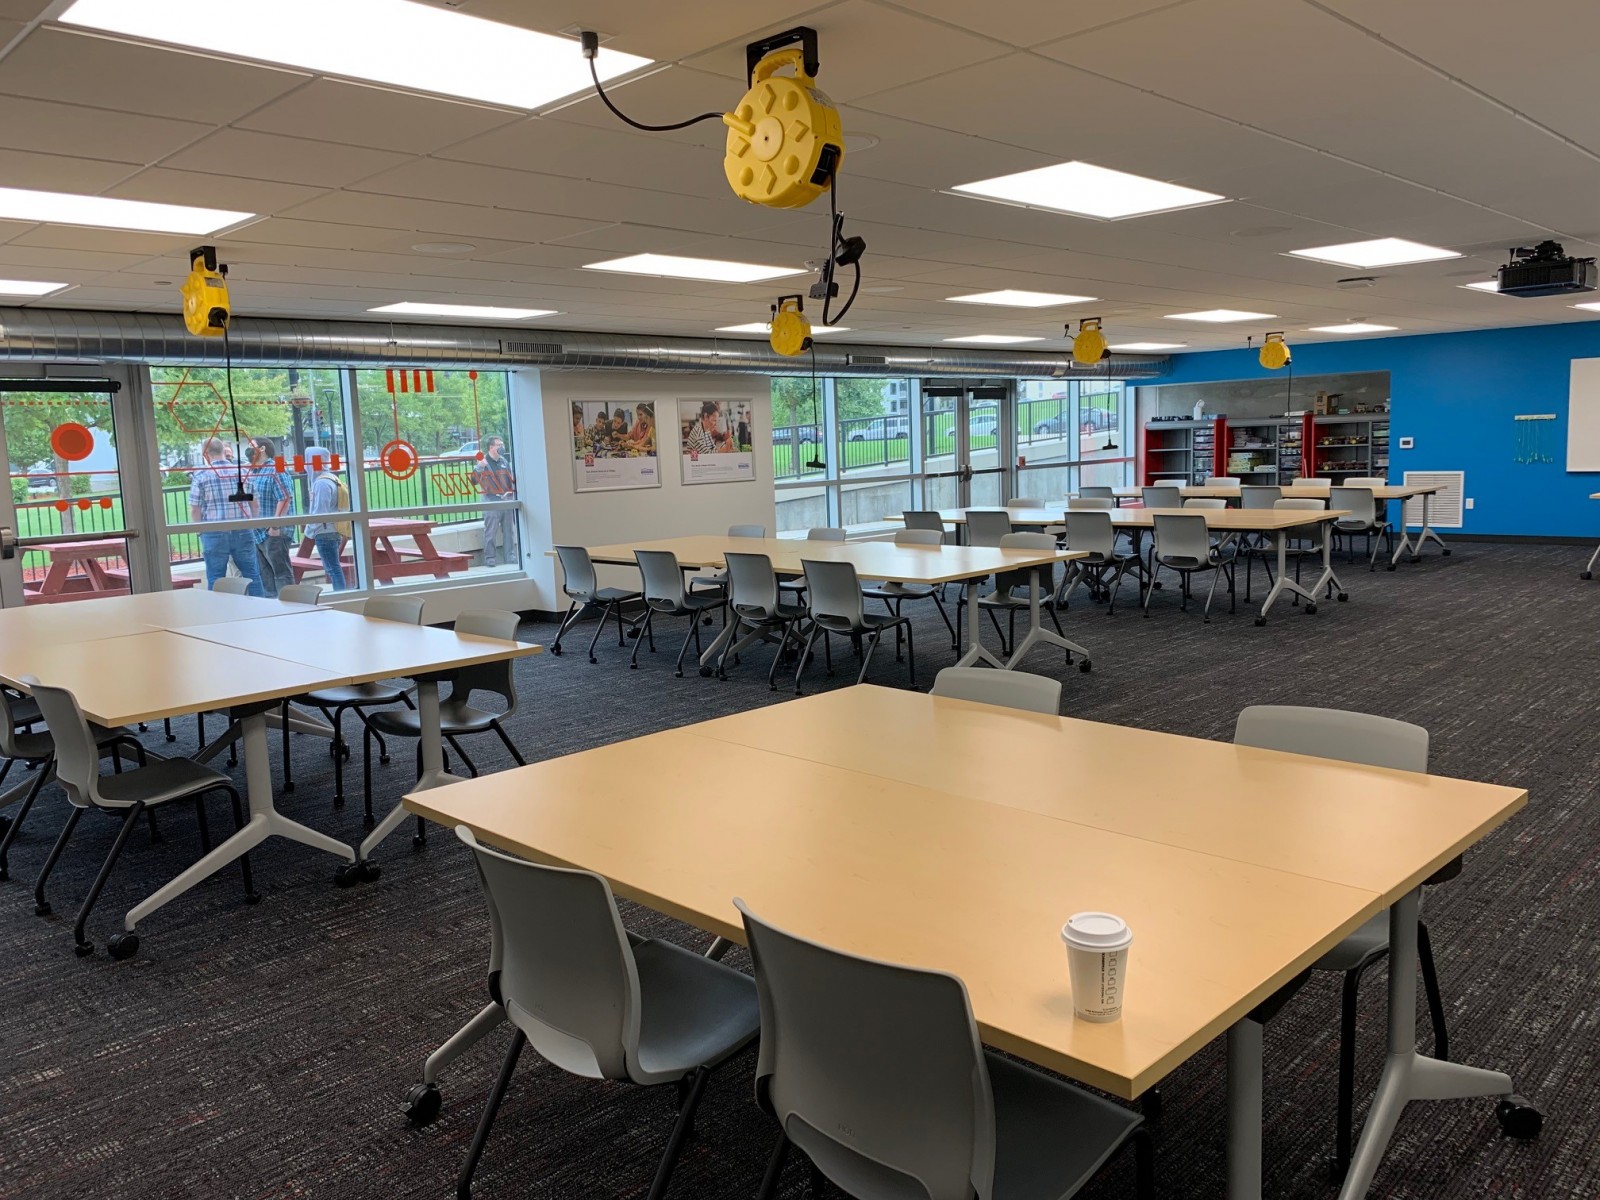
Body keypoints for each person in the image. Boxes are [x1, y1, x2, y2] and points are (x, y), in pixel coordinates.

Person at [189, 435, 264, 596]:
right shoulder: (242, 473)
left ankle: (219, 615)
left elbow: (195, 509)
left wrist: (200, 530)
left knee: (216, 578)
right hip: (243, 530)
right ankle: (262, 611)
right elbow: (254, 503)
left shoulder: (201, 476)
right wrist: (253, 523)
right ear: (224, 450)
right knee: (252, 576)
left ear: (205, 453)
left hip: (214, 531)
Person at [248, 438, 296, 596]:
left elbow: (285, 497)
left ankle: (291, 610)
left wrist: (275, 526)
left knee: (281, 574)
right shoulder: (255, 471)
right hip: (258, 533)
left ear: (262, 449)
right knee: (265, 576)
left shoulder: (276, 469)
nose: (248, 450)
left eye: (251, 446)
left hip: (274, 532)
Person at [301, 446, 347, 590]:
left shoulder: (321, 483)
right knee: (333, 567)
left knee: (332, 569)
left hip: (325, 531)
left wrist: (310, 530)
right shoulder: (331, 479)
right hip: (331, 530)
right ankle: (341, 593)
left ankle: (340, 594)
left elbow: (320, 511)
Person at [473, 436, 517, 568]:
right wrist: (479, 468)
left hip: (506, 500)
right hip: (491, 501)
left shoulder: (503, 461)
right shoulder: (484, 462)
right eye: (499, 445)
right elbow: (473, 481)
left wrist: (511, 493)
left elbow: (510, 479)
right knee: (490, 531)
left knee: (509, 531)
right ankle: (490, 558)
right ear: (491, 447)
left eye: (502, 444)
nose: (501, 447)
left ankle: (510, 556)